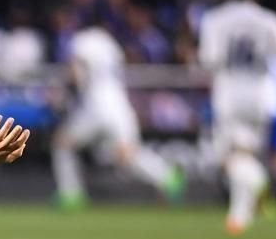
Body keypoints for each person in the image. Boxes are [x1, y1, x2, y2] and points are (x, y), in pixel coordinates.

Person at [198, 0, 276, 233]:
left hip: (229, 94)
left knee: (229, 158)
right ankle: (238, 217)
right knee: (245, 154)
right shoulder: (269, 20)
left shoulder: (214, 19)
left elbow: (208, 60)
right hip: (260, 95)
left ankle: (259, 180)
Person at [51, 25, 184, 209]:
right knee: (127, 155)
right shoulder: (111, 45)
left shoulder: (81, 40)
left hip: (96, 106)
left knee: (62, 144)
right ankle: (167, 176)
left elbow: (76, 73)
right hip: (119, 105)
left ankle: (71, 195)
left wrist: (62, 90)